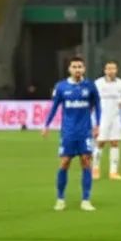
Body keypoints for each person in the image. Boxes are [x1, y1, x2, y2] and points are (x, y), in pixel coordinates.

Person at [42, 56, 101, 211]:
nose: (77, 69)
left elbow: (98, 105)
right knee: (64, 163)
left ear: (84, 69)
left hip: (85, 132)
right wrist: (46, 125)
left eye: (80, 66)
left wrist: (98, 125)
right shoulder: (61, 87)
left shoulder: (90, 86)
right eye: (74, 67)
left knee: (86, 162)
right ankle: (60, 199)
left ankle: (86, 200)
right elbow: (54, 107)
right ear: (69, 69)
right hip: (68, 132)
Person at [93, 60, 121, 180]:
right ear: (105, 70)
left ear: (116, 70)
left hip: (115, 117)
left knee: (115, 142)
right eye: (109, 68)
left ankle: (113, 172)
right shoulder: (98, 83)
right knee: (100, 142)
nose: (111, 71)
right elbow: (92, 99)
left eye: (113, 68)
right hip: (102, 117)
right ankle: (95, 169)